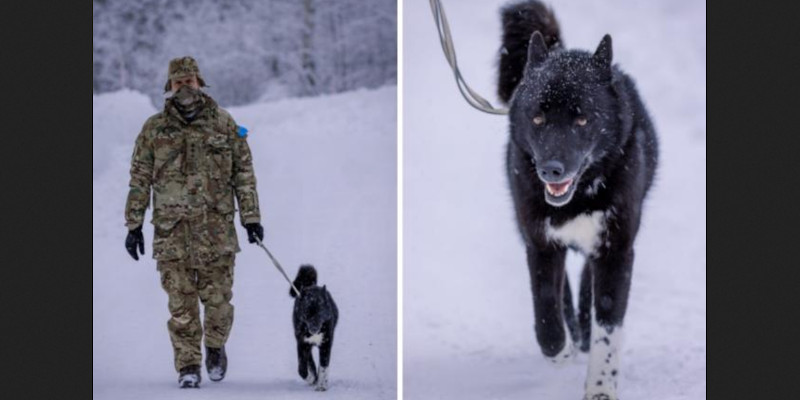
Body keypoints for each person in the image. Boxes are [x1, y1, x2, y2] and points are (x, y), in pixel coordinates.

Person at [123, 56, 264, 388]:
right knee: (180, 306)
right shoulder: (153, 129)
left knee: (218, 302)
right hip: (172, 234)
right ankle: (188, 366)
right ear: (169, 88)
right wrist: (133, 224)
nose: (184, 87)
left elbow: (243, 175)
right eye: (177, 82)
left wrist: (251, 217)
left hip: (216, 232)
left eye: (190, 81)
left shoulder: (224, 124)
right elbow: (139, 179)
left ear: (200, 83)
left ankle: (215, 347)